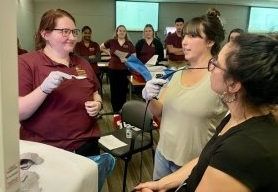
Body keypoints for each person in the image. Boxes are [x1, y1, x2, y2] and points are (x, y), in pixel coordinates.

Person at [135, 33, 278, 192]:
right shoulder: (235, 117)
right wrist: (162, 183)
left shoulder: (242, 150)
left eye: (216, 64)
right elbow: (205, 159)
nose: (211, 68)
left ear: (233, 84)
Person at [141, 10, 228, 180]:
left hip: (191, 165)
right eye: (185, 36)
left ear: (210, 41)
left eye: (193, 36)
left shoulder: (220, 78)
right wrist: (148, 97)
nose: (184, 42)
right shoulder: (178, 73)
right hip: (162, 154)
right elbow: (158, 111)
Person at [18, 9, 102, 157]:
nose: (72, 37)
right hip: (45, 150)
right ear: (45, 34)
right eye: (64, 32)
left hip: (86, 145)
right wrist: (44, 88)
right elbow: (20, 112)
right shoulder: (26, 63)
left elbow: (95, 92)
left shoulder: (82, 63)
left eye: (74, 32)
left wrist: (98, 104)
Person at [100, 25, 135, 113]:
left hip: (124, 69)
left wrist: (127, 59)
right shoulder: (112, 41)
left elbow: (134, 56)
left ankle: (123, 108)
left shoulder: (129, 43)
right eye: (120, 30)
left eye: (124, 31)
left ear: (126, 32)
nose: (122, 32)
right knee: (114, 89)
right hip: (113, 69)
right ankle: (115, 109)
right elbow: (101, 47)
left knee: (123, 90)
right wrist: (109, 53)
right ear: (117, 32)